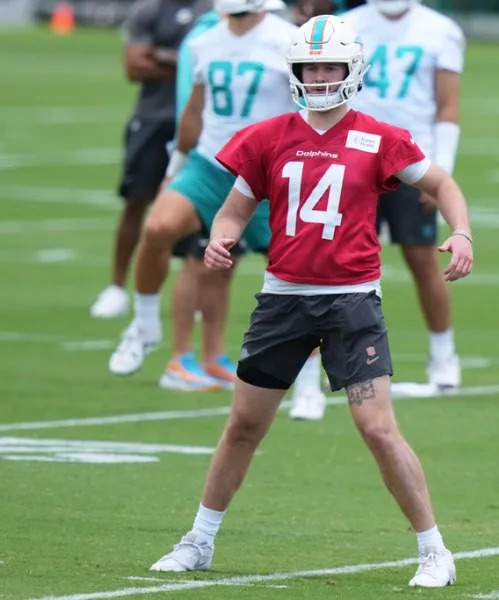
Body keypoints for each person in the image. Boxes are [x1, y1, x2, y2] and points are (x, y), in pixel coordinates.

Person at [147, 16, 472, 587]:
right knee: (242, 427)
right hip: (283, 300)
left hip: (351, 301)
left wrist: (462, 230)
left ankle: (434, 550)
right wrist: (222, 238)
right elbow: (233, 209)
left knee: (377, 429)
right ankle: (198, 540)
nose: (319, 76)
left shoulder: (380, 137)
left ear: (352, 70)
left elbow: (441, 183)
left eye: (329, 66)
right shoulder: (267, 135)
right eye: (310, 67)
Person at [107, 0, 298, 379]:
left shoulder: (289, 42)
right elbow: (194, 112)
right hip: (210, 163)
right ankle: (144, 326)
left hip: (266, 172)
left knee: (300, 268)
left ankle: (307, 378)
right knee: (158, 227)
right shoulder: (203, 42)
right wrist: (175, 167)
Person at [342, 0, 465, 392]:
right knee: (337, 263)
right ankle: (323, 368)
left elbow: (447, 106)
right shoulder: (347, 25)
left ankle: (444, 355)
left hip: (412, 158)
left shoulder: (440, 30)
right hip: (354, 159)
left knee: (422, 258)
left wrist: (440, 166)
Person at [90, 0, 212, 319]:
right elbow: (134, 66)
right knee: (136, 201)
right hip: (152, 118)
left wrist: (162, 54)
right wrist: (184, 61)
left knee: (197, 207)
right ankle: (116, 288)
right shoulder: (151, 9)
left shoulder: (213, 10)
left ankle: (193, 293)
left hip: (200, 123)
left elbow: (211, 66)